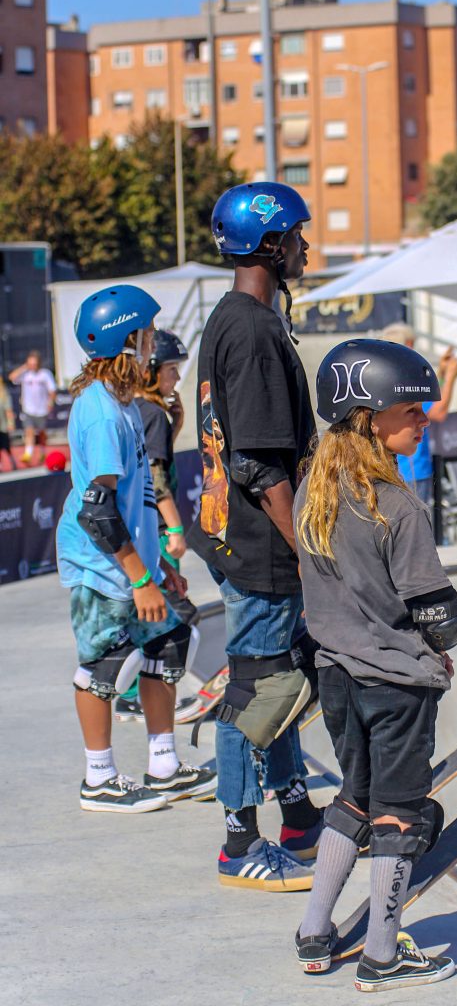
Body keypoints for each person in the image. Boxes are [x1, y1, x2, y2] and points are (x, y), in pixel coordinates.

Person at [293, 338, 457, 992]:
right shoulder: (397, 506)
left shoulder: (315, 486)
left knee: (354, 798)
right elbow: (439, 614)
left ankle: (314, 932)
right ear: (369, 417)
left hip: (336, 675)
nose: (422, 419)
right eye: (410, 411)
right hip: (396, 684)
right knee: (398, 812)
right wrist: (446, 639)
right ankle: (381, 955)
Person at [188, 181, 323, 891]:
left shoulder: (235, 319)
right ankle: (240, 843)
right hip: (261, 543)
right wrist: (306, 550)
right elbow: (256, 461)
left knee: (282, 683)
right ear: (271, 245)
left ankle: (298, 819)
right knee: (254, 692)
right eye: (297, 236)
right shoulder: (252, 330)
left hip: (237, 537)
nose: (305, 246)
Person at [56, 285, 216, 812]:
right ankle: (98, 778)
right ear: (129, 340)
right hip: (101, 567)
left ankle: (164, 765)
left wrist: (159, 566)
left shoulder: (124, 404)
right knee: (105, 663)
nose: (152, 346)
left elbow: (137, 496)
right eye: (146, 335)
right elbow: (97, 509)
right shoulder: (101, 411)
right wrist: (139, 577)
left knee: (168, 645)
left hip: (134, 563)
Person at [115, 329, 202, 724]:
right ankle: (142, 693)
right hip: (157, 529)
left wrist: (176, 422)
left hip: (145, 526)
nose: (176, 380)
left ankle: (139, 692)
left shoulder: (143, 409)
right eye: (170, 370)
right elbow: (155, 477)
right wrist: (176, 529)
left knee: (157, 612)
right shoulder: (152, 414)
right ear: (150, 371)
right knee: (165, 615)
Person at [380, 323, 457, 503]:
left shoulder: (388, 377)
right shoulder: (404, 377)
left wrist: (440, 373)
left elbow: (427, 402)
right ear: (408, 345)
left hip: (400, 467)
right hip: (411, 470)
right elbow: (437, 412)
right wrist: (450, 377)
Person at [9, 350, 56, 465]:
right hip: (28, 409)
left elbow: (52, 390)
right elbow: (12, 377)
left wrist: (50, 403)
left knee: (41, 433)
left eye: (34, 364)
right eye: (30, 364)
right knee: (29, 431)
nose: (32, 366)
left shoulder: (45, 374)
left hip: (41, 410)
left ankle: (42, 452)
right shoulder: (25, 374)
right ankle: (28, 453)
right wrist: (24, 367)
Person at [0, 376, 16, 470]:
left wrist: (10, 423)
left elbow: (8, 411)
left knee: (6, 447)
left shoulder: (4, 395)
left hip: (2, 426)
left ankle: (12, 462)